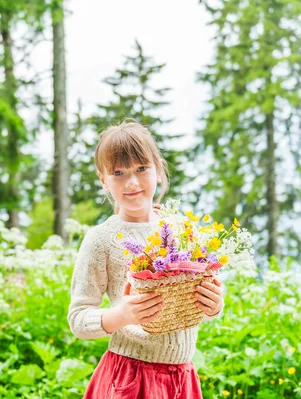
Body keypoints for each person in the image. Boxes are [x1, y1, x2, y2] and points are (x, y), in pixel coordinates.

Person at [67, 120, 224, 398]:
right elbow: (78, 318)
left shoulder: (180, 229)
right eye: (118, 172)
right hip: (129, 378)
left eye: (142, 169)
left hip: (182, 378)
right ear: (103, 179)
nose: (132, 182)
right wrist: (120, 316)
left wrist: (214, 304)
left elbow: (195, 301)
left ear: (158, 170)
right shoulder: (101, 239)